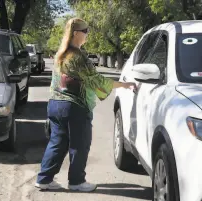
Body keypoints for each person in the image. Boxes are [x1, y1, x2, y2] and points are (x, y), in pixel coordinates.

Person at [35, 18, 137, 192]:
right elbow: (96, 81)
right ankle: (76, 182)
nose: (87, 35)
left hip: (54, 104)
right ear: (76, 33)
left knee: (57, 142)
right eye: (85, 31)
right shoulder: (78, 56)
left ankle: (44, 179)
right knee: (80, 144)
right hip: (74, 106)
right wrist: (124, 85)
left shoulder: (61, 53)